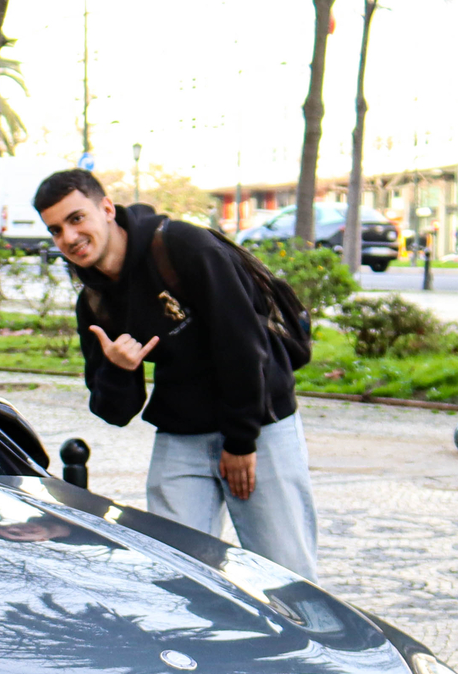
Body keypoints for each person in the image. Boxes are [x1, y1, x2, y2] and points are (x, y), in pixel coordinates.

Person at [33, 167, 321, 581]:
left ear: (107, 209)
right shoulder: (95, 303)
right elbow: (114, 411)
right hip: (182, 432)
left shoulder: (184, 246)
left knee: (285, 575)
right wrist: (119, 369)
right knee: (179, 574)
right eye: (56, 230)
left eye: (77, 219)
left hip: (260, 422)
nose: (69, 238)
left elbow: (243, 346)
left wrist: (241, 440)